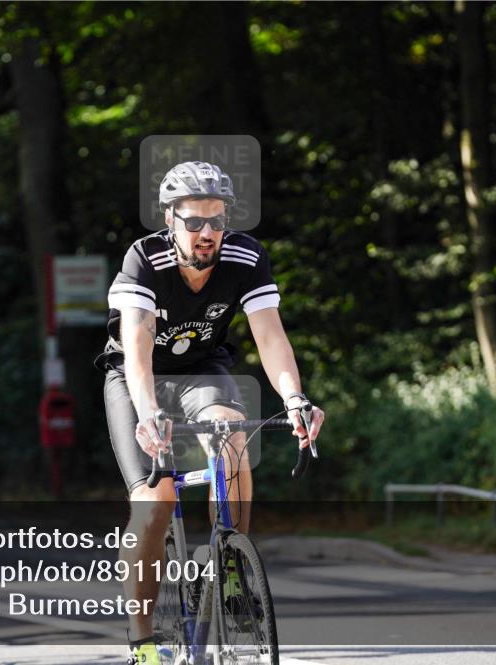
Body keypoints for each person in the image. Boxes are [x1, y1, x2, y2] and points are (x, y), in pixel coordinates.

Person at [97, 162, 325, 665]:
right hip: (138, 379)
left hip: (203, 371)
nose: (207, 234)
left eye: (217, 221)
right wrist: (150, 413)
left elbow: (269, 334)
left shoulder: (245, 257)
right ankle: (142, 641)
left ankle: (231, 568)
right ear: (170, 220)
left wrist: (294, 399)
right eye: (194, 222)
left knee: (234, 447)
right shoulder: (144, 259)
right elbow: (136, 351)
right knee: (154, 502)